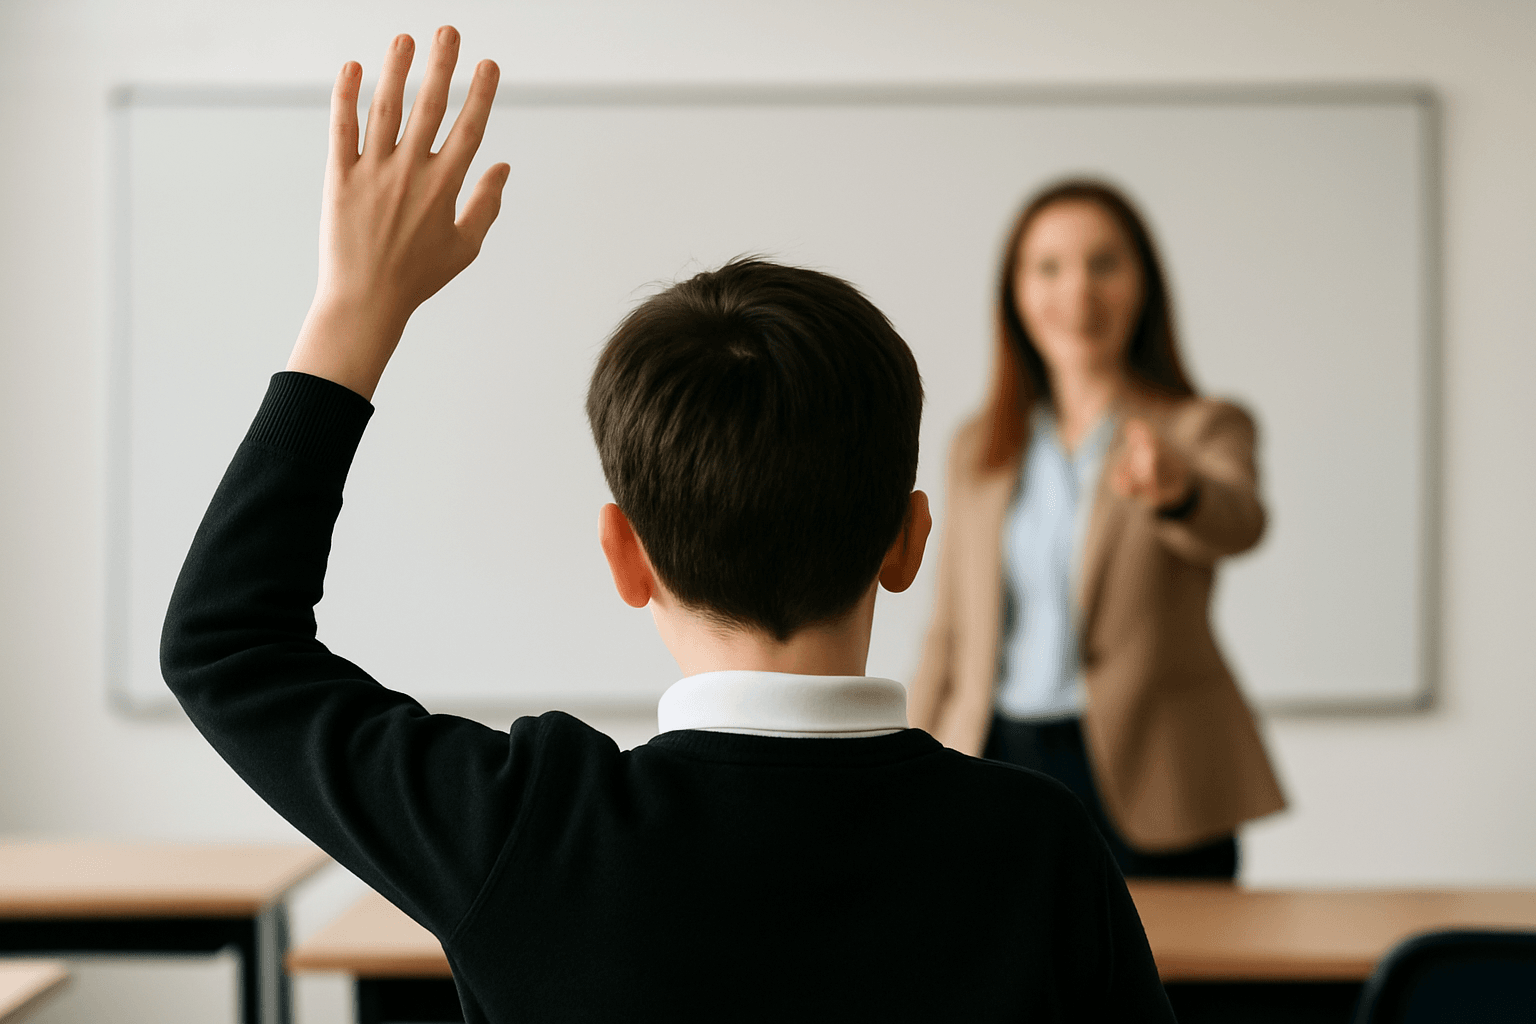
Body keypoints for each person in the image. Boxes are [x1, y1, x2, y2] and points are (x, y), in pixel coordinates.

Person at [160, 29, 1175, 1023]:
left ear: (624, 555)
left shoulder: (532, 831)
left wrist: (354, 310)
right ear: (910, 541)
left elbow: (226, 644)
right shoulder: (1035, 847)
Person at [907, 179, 1286, 880]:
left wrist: (1179, 492)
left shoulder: (1199, 427)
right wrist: (908, 759)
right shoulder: (979, 447)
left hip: (1154, 769)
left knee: (1165, 984)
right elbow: (951, 630)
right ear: (1016, 293)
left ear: (1143, 283)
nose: (1077, 292)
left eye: (1104, 264)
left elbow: (1240, 523)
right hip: (999, 756)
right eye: (1048, 267)